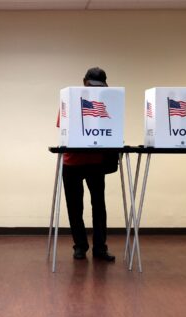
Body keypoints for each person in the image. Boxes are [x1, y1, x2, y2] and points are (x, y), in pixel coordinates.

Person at [58, 67, 116, 262]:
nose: (95, 89)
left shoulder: (107, 101)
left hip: (96, 161)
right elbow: (63, 127)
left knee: (99, 206)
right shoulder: (70, 100)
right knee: (75, 207)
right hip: (72, 161)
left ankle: (100, 247)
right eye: (92, 85)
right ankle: (80, 246)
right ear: (84, 81)